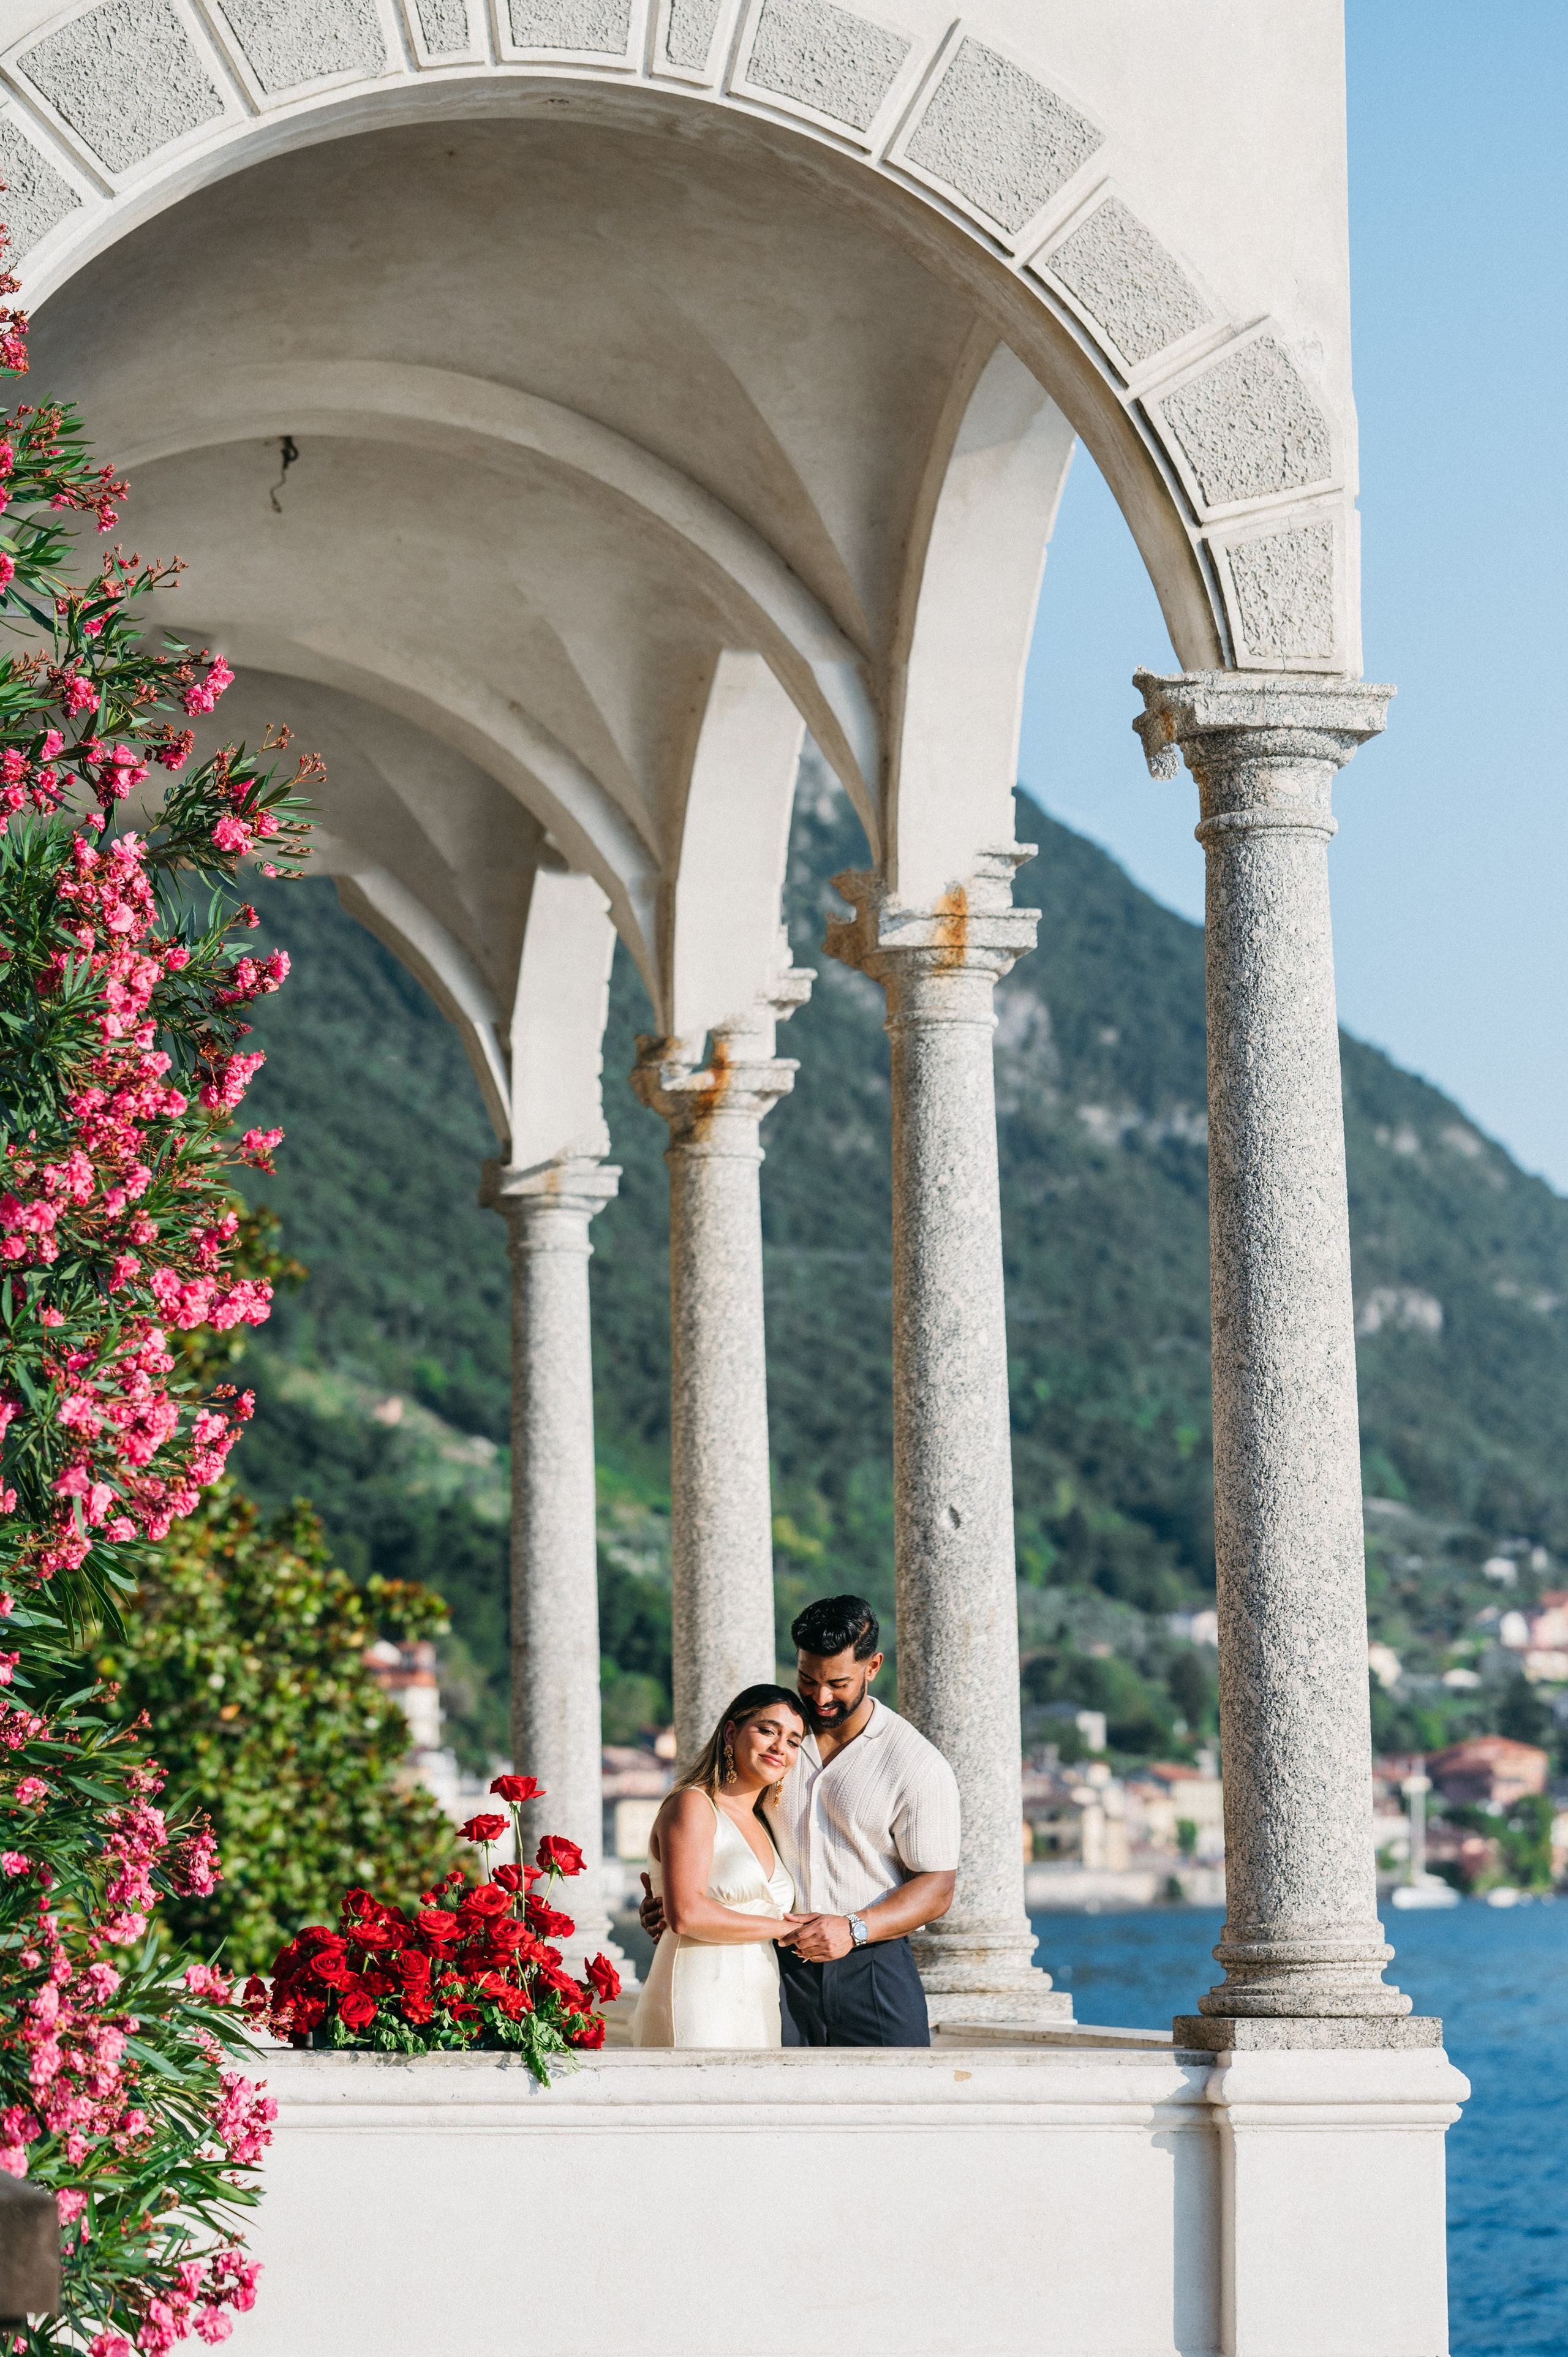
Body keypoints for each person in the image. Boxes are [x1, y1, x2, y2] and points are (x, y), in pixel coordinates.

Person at [641, 1596, 959, 2046]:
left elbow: (937, 1887)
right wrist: (672, 1895)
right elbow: (718, 1828)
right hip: (775, 1970)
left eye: (838, 1683)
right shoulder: (779, 1740)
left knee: (893, 2108)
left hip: (872, 1967)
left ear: (873, 1668)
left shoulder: (916, 1763)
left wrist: (853, 1928)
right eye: (808, 1679)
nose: (821, 1697)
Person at [630, 1684, 809, 2048]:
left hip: (757, 1998)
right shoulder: (693, 1805)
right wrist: (784, 1930)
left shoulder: (765, 1823)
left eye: (793, 1741)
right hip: (696, 1995)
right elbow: (686, 1915)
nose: (780, 1747)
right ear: (731, 1732)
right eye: (768, 1730)